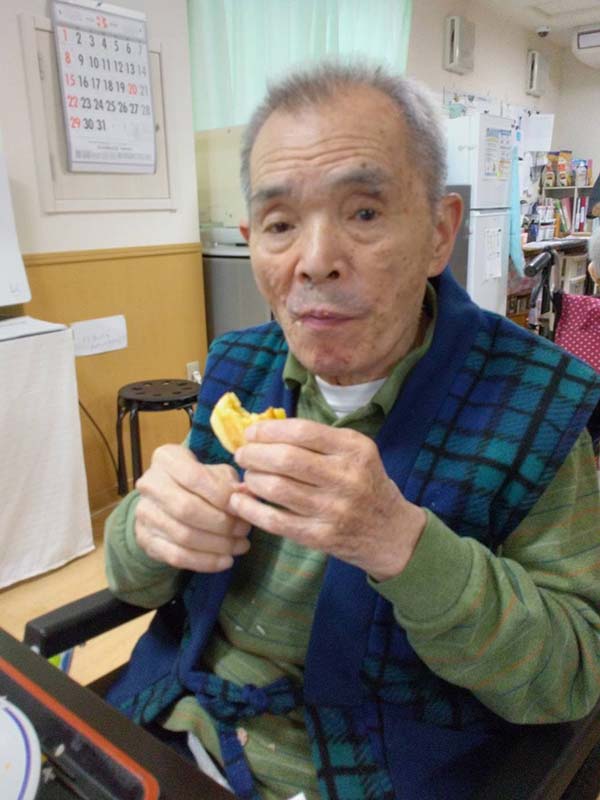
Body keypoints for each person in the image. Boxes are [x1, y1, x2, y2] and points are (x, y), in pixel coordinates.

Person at [104, 62, 600, 800]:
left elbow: (571, 676)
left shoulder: (540, 405)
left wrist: (402, 544)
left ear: (439, 233)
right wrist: (148, 528)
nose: (314, 263)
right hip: (171, 728)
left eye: (364, 213)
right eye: (280, 224)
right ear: (251, 241)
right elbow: (131, 577)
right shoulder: (238, 366)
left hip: (368, 773)